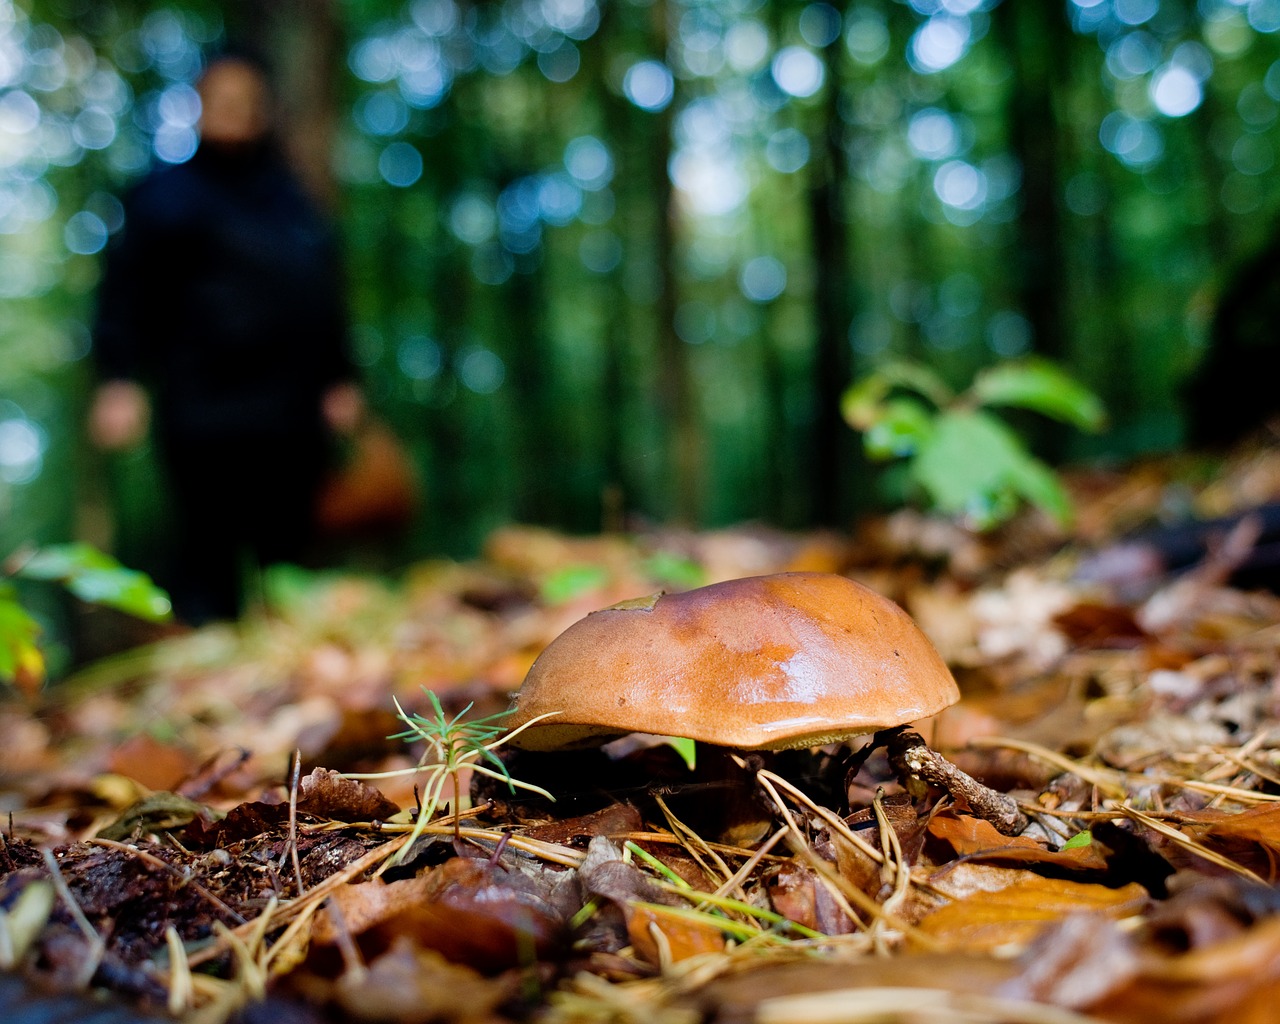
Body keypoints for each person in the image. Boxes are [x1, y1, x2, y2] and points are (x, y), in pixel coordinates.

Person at [89, 52, 363, 624]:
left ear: (264, 111)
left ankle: (293, 663)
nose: (234, 110)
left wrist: (341, 377)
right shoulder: (163, 195)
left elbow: (325, 293)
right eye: (222, 97)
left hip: (289, 407)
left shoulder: (294, 202)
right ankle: (206, 655)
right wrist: (118, 378)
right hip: (202, 403)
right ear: (198, 106)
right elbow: (126, 289)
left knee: (288, 547)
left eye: (246, 99)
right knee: (204, 544)